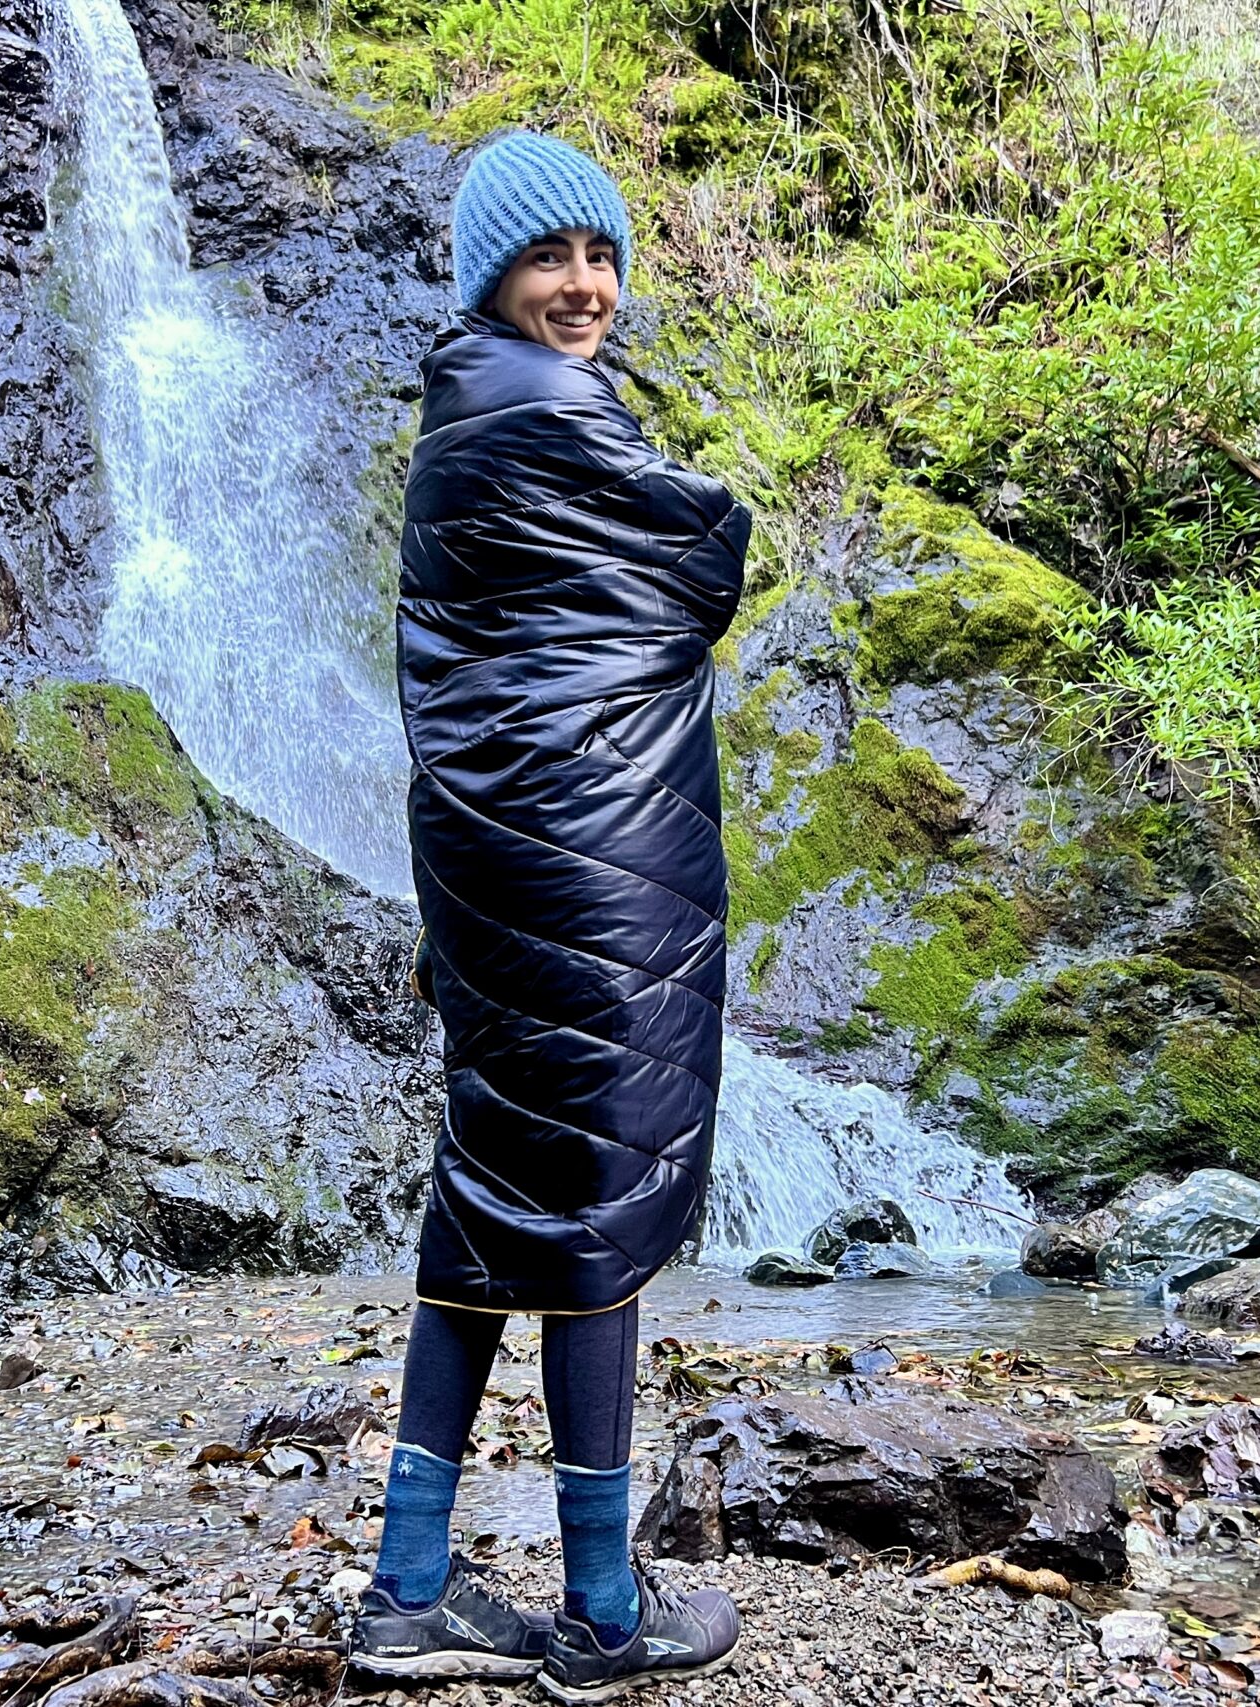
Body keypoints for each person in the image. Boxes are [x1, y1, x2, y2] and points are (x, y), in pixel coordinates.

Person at [348, 131, 751, 1702]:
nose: (583, 288)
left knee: (488, 1196)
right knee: (594, 1206)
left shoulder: (463, 407)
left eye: (601, 256)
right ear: (489, 276)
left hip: (493, 860)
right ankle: (600, 1613)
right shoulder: (543, 405)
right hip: (590, 858)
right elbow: (694, 548)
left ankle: (408, 1587)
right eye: (549, 258)